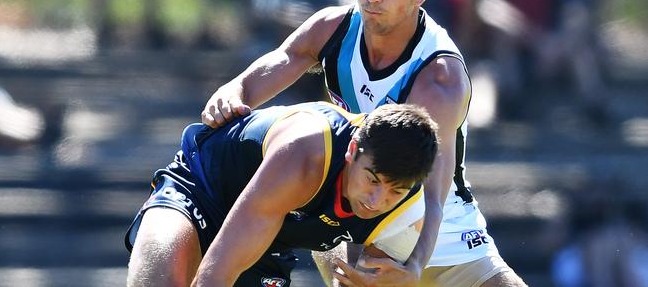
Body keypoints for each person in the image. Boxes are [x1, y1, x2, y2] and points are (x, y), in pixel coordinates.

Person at [201, 0, 527, 286]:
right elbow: (280, 60)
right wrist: (235, 91)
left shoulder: (437, 78)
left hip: (433, 217)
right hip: (361, 204)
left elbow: (434, 194)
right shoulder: (333, 29)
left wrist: (417, 264)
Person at [126, 102, 438, 286]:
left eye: (394, 191)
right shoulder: (305, 155)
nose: (375, 201)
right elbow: (215, 276)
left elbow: (341, 256)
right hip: (200, 189)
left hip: (271, 235)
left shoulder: (405, 214)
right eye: (372, 180)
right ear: (352, 151)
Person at [479, 0, 610, 122]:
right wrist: (537, 41)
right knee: (503, 37)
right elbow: (488, 7)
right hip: (523, 48)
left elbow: (577, 11)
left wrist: (558, 44)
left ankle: (596, 111)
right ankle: (512, 104)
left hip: (556, 47)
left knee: (581, 52)